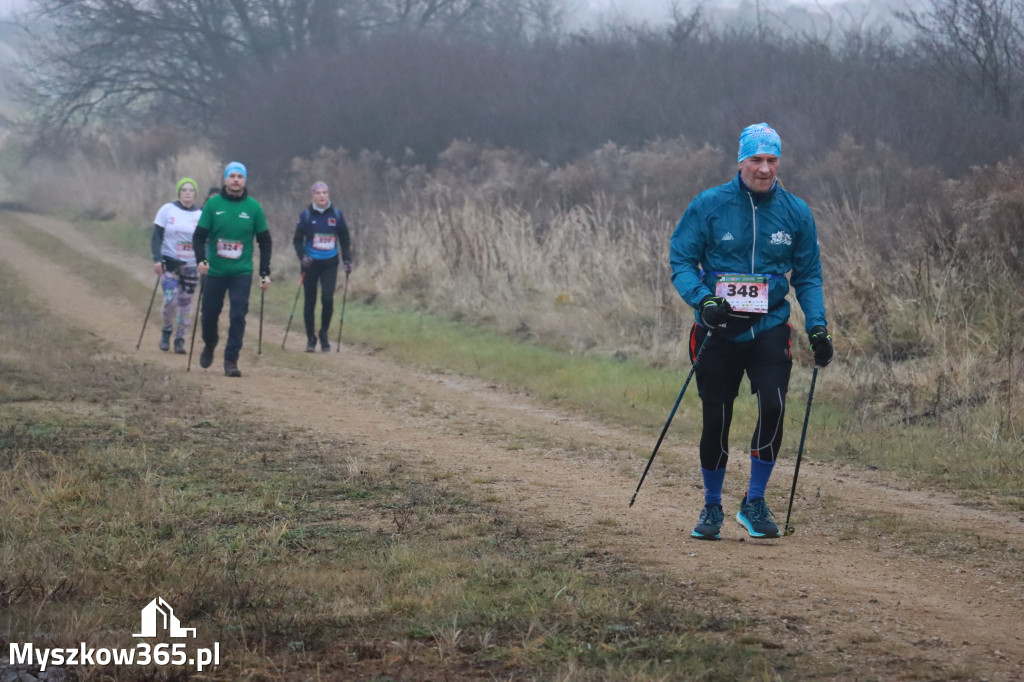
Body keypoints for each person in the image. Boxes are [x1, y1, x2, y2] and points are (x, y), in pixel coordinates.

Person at [669, 122, 834, 540]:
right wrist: (703, 300)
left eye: (772, 160)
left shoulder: (796, 211)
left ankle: (754, 501)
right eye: (756, 160)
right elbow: (682, 262)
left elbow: (809, 276)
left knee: (775, 408)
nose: (764, 169)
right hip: (718, 330)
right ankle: (711, 508)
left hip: (771, 326)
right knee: (716, 419)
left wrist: (817, 328)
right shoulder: (709, 205)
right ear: (741, 161)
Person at [192, 161, 272, 377]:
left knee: (238, 314)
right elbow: (199, 236)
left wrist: (265, 272)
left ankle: (231, 360)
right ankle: (210, 343)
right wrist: (201, 259)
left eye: (240, 176)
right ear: (225, 179)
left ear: (244, 180)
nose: (236, 180)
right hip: (215, 271)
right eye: (232, 176)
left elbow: (265, 241)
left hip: (241, 271)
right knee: (209, 315)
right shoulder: (213, 205)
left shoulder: (254, 208)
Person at [292, 181, 352, 352]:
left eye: (325, 192)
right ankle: (310, 338)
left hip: (330, 262)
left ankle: (324, 333)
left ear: (328, 195)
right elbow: (297, 240)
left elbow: (345, 239)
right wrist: (302, 257)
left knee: (327, 298)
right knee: (309, 301)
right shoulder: (306, 215)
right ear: (313, 195)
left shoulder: (337, 215)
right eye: (318, 193)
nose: (322, 196)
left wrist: (347, 260)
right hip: (310, 264)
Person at [150, 177, 201, 354]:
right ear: (179, 192)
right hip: (169, 261)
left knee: (185, 301)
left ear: (195, 194)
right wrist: (157, 259)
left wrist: (204, 261)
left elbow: (205, 240)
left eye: (191, 190)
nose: (187, 193)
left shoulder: (200, 215)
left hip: (191, 264)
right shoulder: (167, 210)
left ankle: (180, 338)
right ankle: (167, 330)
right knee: (171, 299)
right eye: (184, 190)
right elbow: (156, 236)